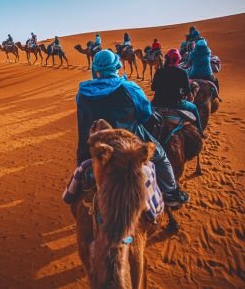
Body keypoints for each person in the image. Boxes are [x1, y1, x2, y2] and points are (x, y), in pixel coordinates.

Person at [76, 49, 189, 207]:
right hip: (128, 144)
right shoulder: (130, 88)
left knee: (82, 169)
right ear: (117, 66)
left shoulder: (82, 92)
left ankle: (76, 189)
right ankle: (171, 193)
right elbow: (145, 115)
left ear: (95, 69)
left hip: (92, 146)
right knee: (161, 156)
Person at [151, 49, 203, 135]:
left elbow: (153, 88)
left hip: (157, 103)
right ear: (178, 60)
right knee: (194, 108)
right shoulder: (182, 73)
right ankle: (200, 132)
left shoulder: (159, 72)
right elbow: (188, 92)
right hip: (176, 103)